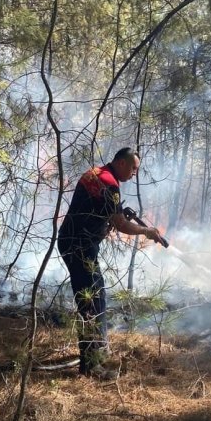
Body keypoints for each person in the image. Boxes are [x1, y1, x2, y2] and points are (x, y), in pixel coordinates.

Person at [57, 147, 162, 377]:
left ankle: (97, 352)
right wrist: (146, 231)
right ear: (121, 163)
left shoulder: (96, 172)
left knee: (96, 296)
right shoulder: (108, 182)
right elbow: (122, 225)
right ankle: (92, 366)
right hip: (80, 246)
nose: (135, 174)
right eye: (134, 168)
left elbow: (97, 209)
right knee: (92, 302)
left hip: (74, 242)